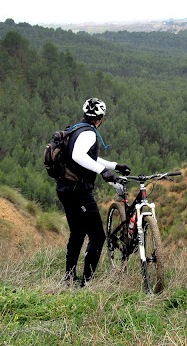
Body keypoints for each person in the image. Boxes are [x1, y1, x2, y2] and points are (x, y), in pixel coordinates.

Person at [57, 97, 131, 286]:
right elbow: (78, 155)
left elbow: (89, 157)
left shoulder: (76, 129)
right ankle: (86, 283)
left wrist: (114, 166)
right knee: (97, 236)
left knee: (78, 233)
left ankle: (69, 278)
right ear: (101, 118)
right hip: (78, 190)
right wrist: (103, 171)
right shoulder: (89, 133)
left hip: (65, 187)